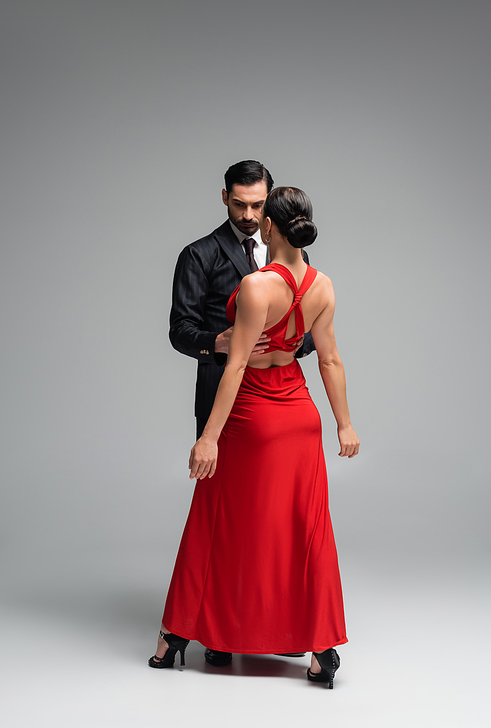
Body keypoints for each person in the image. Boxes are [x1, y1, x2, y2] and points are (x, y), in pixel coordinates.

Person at [150, 186, 360, 687]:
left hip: (252, 415)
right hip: (300, 414)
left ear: (270, 227)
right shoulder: (325, 285)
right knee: (304, 529)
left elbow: (237, 365)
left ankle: (179, 636)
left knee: (218, 520)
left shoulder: (256, 287)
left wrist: (209, 439)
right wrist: (345, 423)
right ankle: (320, 649)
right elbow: (329, 359)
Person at [169, 160, 315, 441]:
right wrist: (217, 342)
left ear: (270, 202)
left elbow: (309, 324)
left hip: (279, 395)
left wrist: (298, 341)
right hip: (220, 394)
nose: (248, 215)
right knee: (222, 484)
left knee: (272, 483)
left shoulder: (296, 256)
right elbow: (179, 331)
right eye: (238, 204)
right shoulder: (198, 255)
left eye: (258, 206)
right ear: (225, 197)